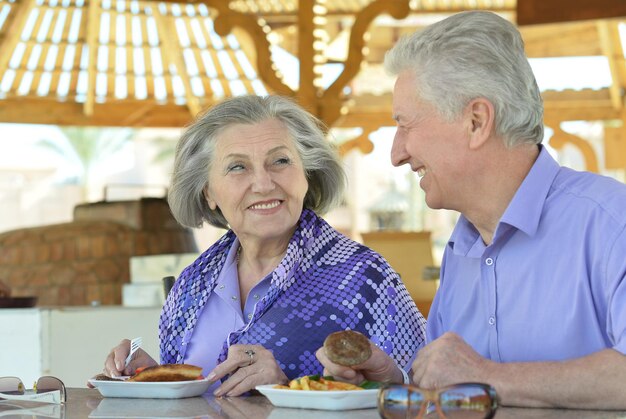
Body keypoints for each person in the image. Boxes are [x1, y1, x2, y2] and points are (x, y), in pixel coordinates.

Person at [316, 11, 626, 409]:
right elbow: (458, 392)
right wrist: (397, 380)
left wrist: (487, 378)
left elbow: (477, 377)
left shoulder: (611, 222)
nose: (397, 153)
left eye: (405, 125)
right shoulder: (460, 248)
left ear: (476, 121)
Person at [99, 95, 426, 396]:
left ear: (306, 174)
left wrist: (285, 387)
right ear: (208, 193)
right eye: (237, 166)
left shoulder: (364, 277)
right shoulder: (189, 287)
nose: (264, 183)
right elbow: (192, 399)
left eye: (280, 161)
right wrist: (151, 374)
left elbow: (425, 397)